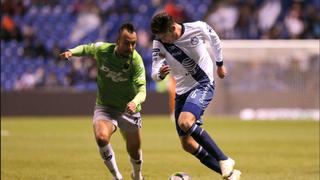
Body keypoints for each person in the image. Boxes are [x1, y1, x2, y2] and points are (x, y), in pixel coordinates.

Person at [150, 12, 241, 180]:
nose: (162, 40)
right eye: (159, 37)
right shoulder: (159, 42)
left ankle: (224, 159)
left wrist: (220, 64)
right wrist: (160, 74)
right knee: (188, 145)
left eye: (164, 36)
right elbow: (154, 72)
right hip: (182, 91)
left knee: (185, 122)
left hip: (203, 83)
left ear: (172, 28)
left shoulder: (196, 27)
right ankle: (231, 175)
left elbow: (215, 39)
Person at [60, 23, 146, 180]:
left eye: (134, 43)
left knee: (134, 150)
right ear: (118, 41)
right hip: (106, 107)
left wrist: (134, 102)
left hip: (129, 109)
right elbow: (86, 49)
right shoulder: (103, 50)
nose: (131, 47)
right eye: (127, 43)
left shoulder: (136, 60)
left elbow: (142, 90)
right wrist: (71, 52)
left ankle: (137, 175)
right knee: (101, 137)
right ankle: (117, 176)